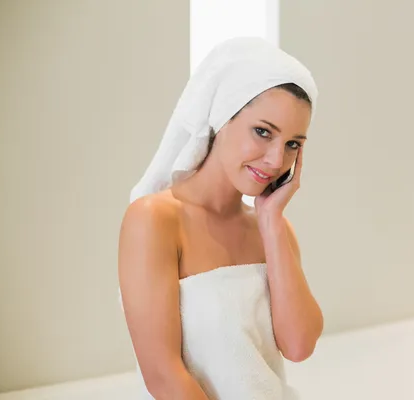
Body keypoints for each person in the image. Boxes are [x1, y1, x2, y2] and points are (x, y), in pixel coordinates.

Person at [118, 37, 324, 400]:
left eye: (293, 143)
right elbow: (164, 376)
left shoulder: (272, 229)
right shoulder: (155, 220)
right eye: (263, 132)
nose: (277, 159)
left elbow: (299, 345)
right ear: (221, 119)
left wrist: (271, 222)